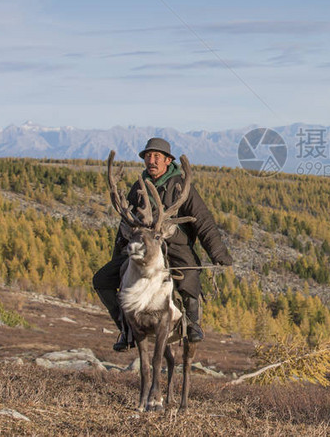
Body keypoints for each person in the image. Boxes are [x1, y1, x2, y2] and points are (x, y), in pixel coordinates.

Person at [92, 137, 233, 351]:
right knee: (102, 279)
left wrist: (218, 253)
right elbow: (124, 226)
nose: (152, 160)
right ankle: (125, 327)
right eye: (148, 156)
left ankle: (192, 324)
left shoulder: (180, 185)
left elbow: (203, 221)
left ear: (168, 160)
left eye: (157, 156)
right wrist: (119, 257)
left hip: (173, 246)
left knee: (188, 276)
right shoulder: (137, 187)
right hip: (141, 247)